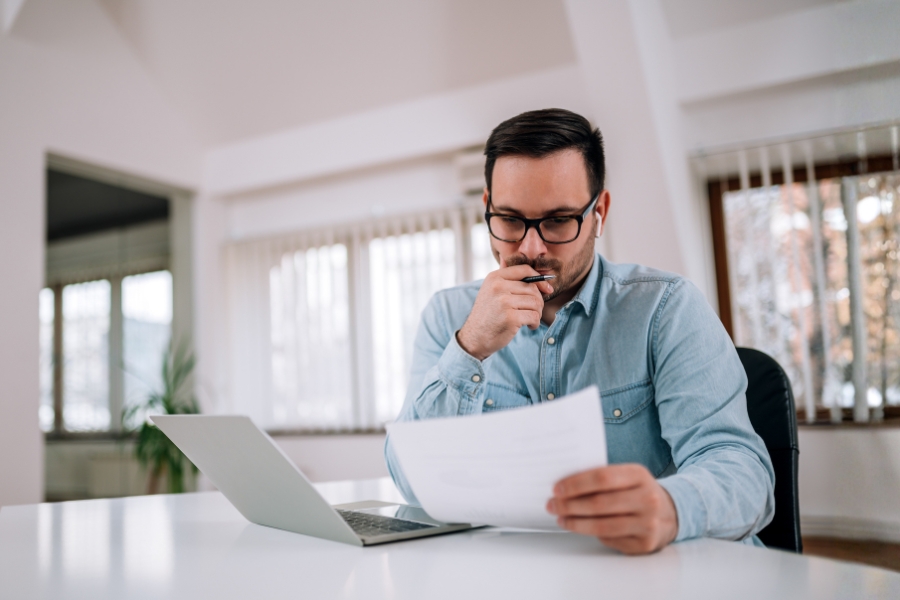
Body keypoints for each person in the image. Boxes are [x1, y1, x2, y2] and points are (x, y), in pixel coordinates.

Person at [384, 108, 774, 555]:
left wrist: (670, 507)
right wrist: (469, 347)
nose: (530, 248)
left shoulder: (666, 308)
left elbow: (746, 475)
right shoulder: (449, 316)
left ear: (598, 213)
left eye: (557, 221)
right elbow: (411, 484)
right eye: (510, 219)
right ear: (487, 206)